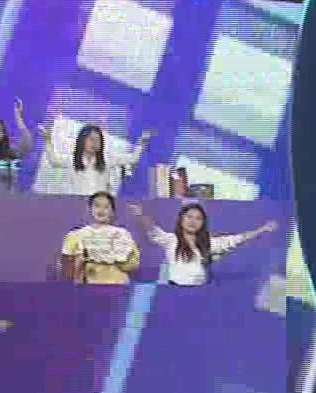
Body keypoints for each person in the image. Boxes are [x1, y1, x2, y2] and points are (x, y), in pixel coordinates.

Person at [125, 202, 279, 286]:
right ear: (181, 219)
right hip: (174, 290)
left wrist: (262, 229)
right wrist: (140, 215)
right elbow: (153, 230)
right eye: (189, 217)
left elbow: (236, 239)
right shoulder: (171, 240)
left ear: (203, 223)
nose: (193, 221)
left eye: (198, 218)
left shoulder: (209, 243)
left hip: (200, 291)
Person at [39, 120, 150, 196]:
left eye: (98, 140)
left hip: (100, 204)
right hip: (78, 202)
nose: (95, 143)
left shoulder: (107, 159)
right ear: (82, 141)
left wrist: (142, 143)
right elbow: (54, 160)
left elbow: (133, 158)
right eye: (91, 139)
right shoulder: (73, 160)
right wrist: (47, 139)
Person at [60, 192, 141, 285]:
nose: (101, 210)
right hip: (89, 287)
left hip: (117, 286)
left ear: (112, 211)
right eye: (97, 206)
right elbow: (66, 270)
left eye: (106, 207)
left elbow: (133, 265)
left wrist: (116, 258)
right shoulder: (76, 235)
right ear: (89, 209)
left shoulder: (122, 234)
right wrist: (80, 262)